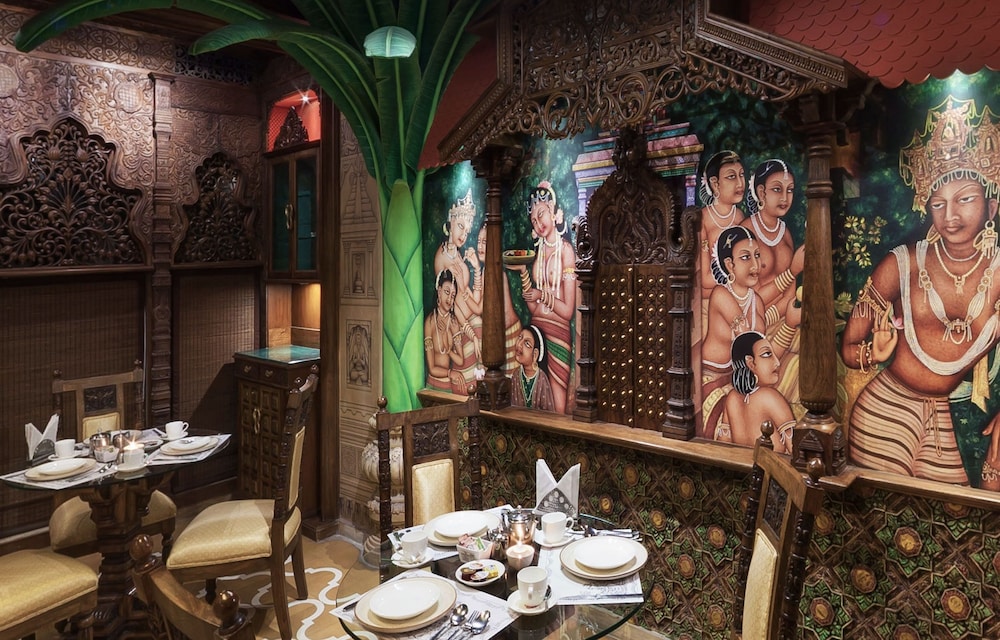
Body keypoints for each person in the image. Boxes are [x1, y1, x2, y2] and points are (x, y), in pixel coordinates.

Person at [840, 96, 1000, 487]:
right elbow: (848, 348)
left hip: (947, 423)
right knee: (878, 511)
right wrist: (873, 354)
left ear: (991, 207)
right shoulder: (902, 264)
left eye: (965, 199)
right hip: (883, 411)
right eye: (938, 203)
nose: (950, 216)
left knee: (953, 514)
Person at [506, 180, 577, 414]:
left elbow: (567, 311)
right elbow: (534, 309)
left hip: (558, 334)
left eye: (541, 215)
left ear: (554, 212)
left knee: (557, 403)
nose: (538, 224)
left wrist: (541, 294)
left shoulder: (566, 251)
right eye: (534, 221)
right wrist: (524, 274)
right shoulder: (538, 253)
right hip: (537, 330)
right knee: (534, 398)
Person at [742, 158, 805, 316]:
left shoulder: (786, 234)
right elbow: (747, 299)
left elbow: (790, 297)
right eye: (777, 189)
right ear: (761, 192)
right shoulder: (746, 232)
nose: (784, 197)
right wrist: (791, 272)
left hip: (782, 319)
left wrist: (780, 323)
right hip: (750, 321)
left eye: (790, 190)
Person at [717, 331, 795, 451]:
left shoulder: (732, 398)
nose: (777, 362)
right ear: (750, 363)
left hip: (740, 462)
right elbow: (795, 450)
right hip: (771, 464)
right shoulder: (769, 397)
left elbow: (722, 447)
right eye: (767, 354)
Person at [433, 190, 482, 377]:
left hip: (473, 319)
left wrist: (476, 269)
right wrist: (472, 335)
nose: (463, 235)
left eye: (467, 231)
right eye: (461, 226)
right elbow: (451, 306)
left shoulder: (459, 254)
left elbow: (474, 302)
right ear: (450, 221)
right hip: (461, 327)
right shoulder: (442, 259)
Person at [698, 151, 747, 300]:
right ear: (715, 184)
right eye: (731, 177)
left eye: (741, 175)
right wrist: (738, 276)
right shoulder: (703, 219)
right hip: (711, 299)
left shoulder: (740, 217)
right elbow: (705, 279)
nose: (740, 183)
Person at [424, 269, 468, 393]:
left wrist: (449, 350)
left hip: (447, 386)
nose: (449, 298)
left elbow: (460, 360)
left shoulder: (454, 322)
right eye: (447, 292)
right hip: (433, 385)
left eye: (453, 295)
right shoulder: (430, 322)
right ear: (439, 291)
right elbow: (432, 368)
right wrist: (450, 373)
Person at [510, 324, 556, 411]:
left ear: (535, 354)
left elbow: (548, 412)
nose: (519, 344)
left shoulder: (541, 378)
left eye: (527, 343)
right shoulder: (516, 375)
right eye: (520, 337)